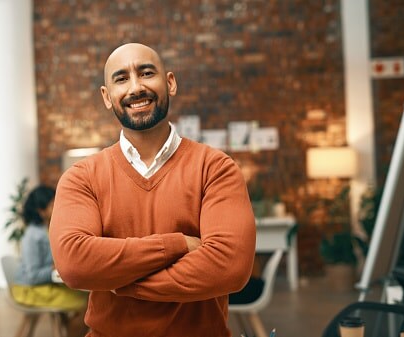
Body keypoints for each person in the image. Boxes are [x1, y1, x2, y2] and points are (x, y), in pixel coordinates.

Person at [49, 43, 256, 337]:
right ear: (107, 97)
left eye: (146, 73)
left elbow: (230, 266)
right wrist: (178, 245)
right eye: (121, 78)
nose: (136, 87)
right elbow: (74, 262)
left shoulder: (215, 168)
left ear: (170, 82)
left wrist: (119, 281)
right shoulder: (81, 177)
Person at [12, 185, 88, 337]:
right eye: (53, 204)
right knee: (87, 303)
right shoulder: (33, 236)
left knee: (87, 299)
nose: (58, 206)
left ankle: (68, 330)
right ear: (41, 210)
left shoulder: (48, 229)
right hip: (29, 290)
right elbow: (33, 276)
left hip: (42, 286)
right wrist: (54, 268)